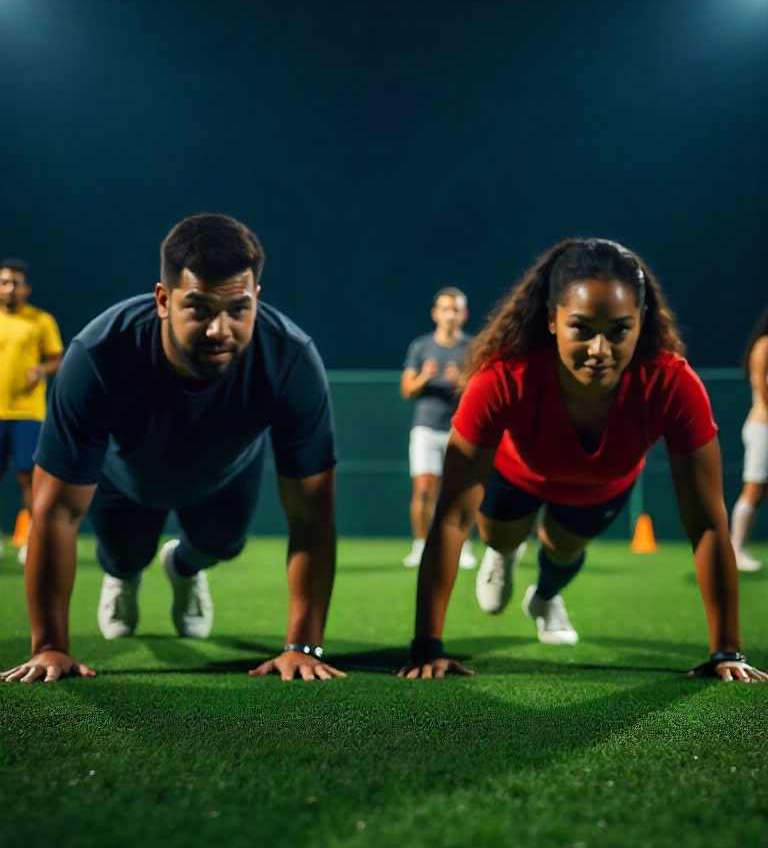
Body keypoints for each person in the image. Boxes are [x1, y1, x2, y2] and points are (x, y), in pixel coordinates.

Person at [401, 238, 767, 684]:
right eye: (581, 329)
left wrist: (726, 651)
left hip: (600, 486)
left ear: (642, 322)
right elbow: (453, 517)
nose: (599, 349)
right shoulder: (502, 376)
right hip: (518, 474)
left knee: (564, 547)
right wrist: (426, 648)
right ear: (552, 319)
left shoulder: (671, 384)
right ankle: (504, 553)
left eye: (618, 330)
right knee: (498, 535)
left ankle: (545, 597)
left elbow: (708, 524)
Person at [1, 214, 345, 685]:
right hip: (126, 480)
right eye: (199, 308)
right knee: (123, 557)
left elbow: (311, 515)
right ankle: (124, 576)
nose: (219, 328)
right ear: (163, 300)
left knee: (221, 545)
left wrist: (302, 647)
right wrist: (50, 647)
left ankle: (182, 568)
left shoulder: (291, 360)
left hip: (227, 476)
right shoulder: (100, 355)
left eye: (238, 308)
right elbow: (55, 511)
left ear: (256, 300)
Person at [401, 287, 476, 569]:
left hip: (460, 429)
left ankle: (462, 547)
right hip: (426, 428)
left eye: (455, 309)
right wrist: (424, 377)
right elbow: (406, 389)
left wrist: (461, 382)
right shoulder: (421, 347)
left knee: (460, 491)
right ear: (435, 314)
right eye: (445, 309)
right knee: (423, 489)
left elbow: (481, 390)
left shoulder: (472, 347)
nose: (450, 315)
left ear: (464, 315)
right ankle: (421, 546)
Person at [0, 259, 64, 565]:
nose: (9, 288)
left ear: (26, 289)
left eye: (15, 283)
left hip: (27, 412)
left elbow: (57, 358)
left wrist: (41, 369)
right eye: (4, 282)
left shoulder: (40, 321)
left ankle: (31, 537)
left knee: (28, 476)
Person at [729, 304, 768, 572]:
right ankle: (734, 549)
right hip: (762, 427)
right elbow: (762, 390)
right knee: (753, 490)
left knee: (760, 492)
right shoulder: (764, 345)